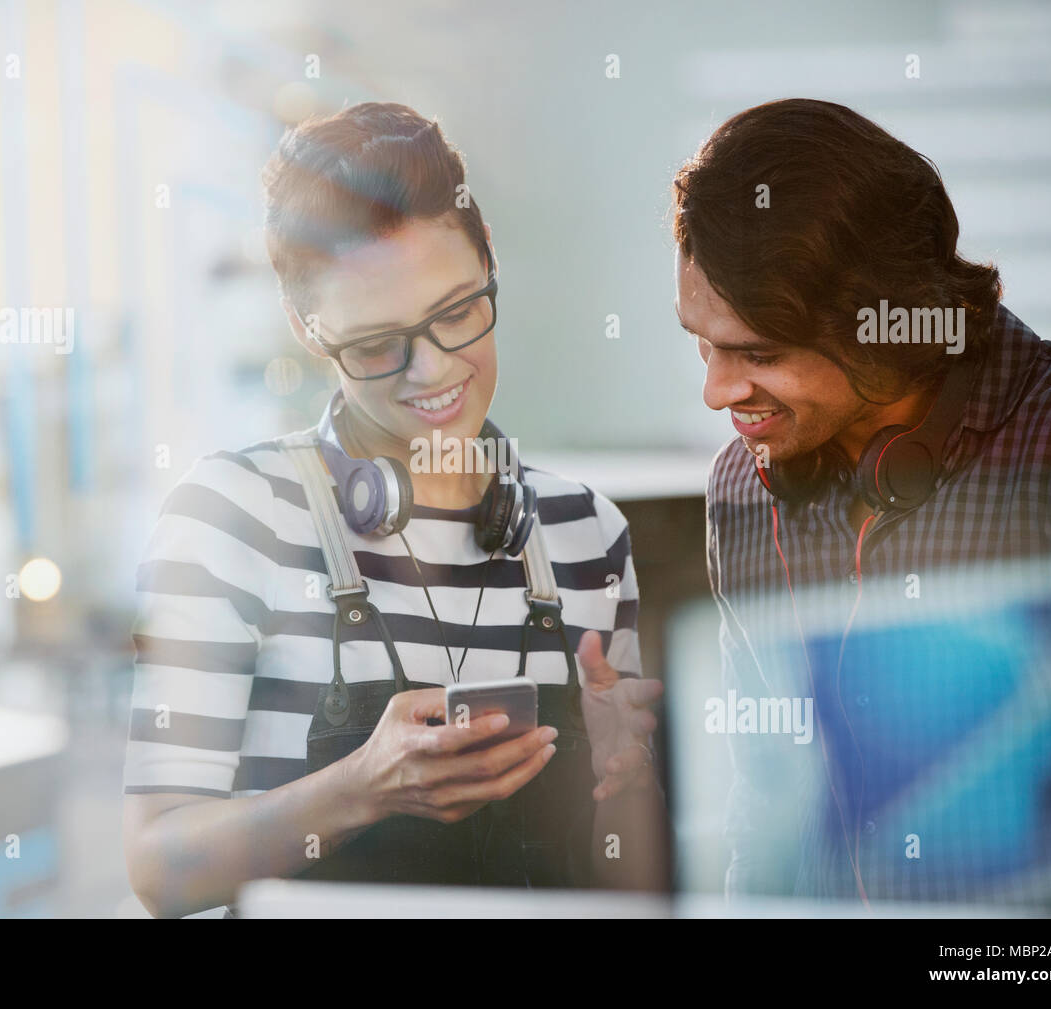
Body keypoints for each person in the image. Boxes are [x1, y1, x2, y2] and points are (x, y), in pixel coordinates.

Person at [122, 102, 668, 917]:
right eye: (378, 344)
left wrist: (627, 778)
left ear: (489, 262)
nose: (432, 371)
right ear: (309, 330)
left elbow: (631, 884)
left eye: (457, 312)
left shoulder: (585, 529)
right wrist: (358, 791)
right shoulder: (228, 520)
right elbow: (160, 868)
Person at [673, 99, 1051, 904]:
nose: (717, 392)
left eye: (758, 353)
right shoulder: (743, 484)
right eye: (704, 345)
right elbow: (761, 797)